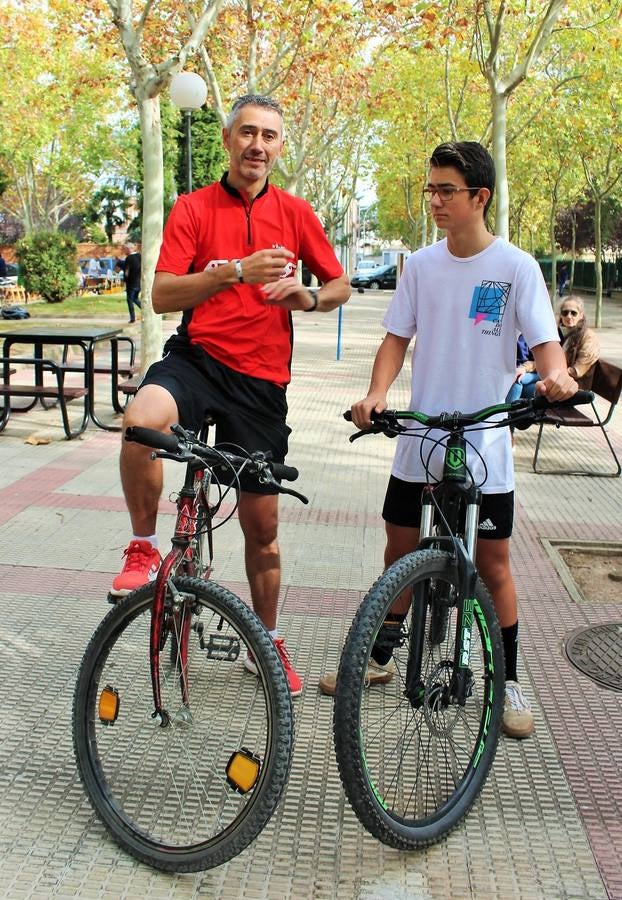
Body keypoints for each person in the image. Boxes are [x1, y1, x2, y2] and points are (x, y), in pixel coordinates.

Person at [319, 141, 577, 739]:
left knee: (493, 564)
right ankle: (380, 656)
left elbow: (545, 346)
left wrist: (555, 376)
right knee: (399, 552)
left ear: (479, 197)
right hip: (421, 434)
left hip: (484, 442)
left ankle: (508, 679)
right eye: (430, 189)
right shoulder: (422, 266)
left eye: (446, 190)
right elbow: (395, 339)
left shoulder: (516, 267)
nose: (434, 200)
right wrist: (376, 392)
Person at [111, 94, 350, 697]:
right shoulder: (193, 207)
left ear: (279, 146)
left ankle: (267, 642)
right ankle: (142, 548)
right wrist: (232, 272)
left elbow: (340, 282)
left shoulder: (296, 212)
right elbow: (163, 295)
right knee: (140, 420)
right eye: (248, 133)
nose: (258, 146)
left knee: (262, 530)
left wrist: (309, 298)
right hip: (197, 361)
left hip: (261, 384)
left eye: (269, 136)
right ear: (226, 138)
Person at [558, 295, 600, 388]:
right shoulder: (558, 333)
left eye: (573, 313)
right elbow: (547, 358)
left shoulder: (589, 337)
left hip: (573, 386)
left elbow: (577, 371)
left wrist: (551, 372)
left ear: (581, 315)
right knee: (520, 378)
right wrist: (525, 367)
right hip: (557, 378)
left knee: (522, 386)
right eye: (565, 312)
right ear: (561, 315)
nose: (569, 316)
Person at [122, 244, 142, 323]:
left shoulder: (129, 258)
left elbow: (127, 271)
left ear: (129, 249)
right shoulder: (139, 256)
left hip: (131, 283)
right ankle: (145, 311)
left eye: (125, 249)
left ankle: (132, 318)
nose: (124, 251)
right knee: (135, 298)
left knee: (130, 300)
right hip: (138, 282)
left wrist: (125, 280)